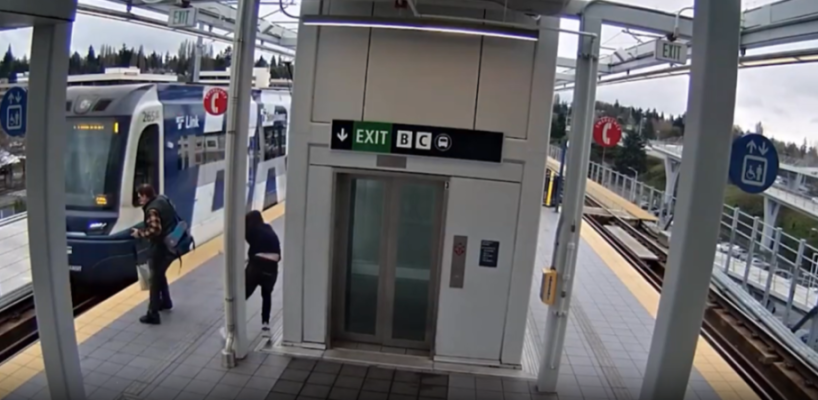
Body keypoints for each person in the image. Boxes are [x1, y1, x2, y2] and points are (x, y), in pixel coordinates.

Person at [131, 184, 176, 325]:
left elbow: (155, 230)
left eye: (140, 197)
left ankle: (153, 314)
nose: (139, 200)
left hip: (161, 247)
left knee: (154, 279)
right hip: (171, 243)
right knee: (159, 274)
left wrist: (139, 233)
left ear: (146, 196)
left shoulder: (152, 210)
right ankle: (166, 302)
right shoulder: (162, 199)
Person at [244, 210, 281, 337]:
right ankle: (265, 324)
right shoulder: (268, 228)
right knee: (266, 295)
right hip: (272, 267)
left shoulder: (250, 231)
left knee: (242, 294)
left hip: (257, 266)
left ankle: (232, 323)